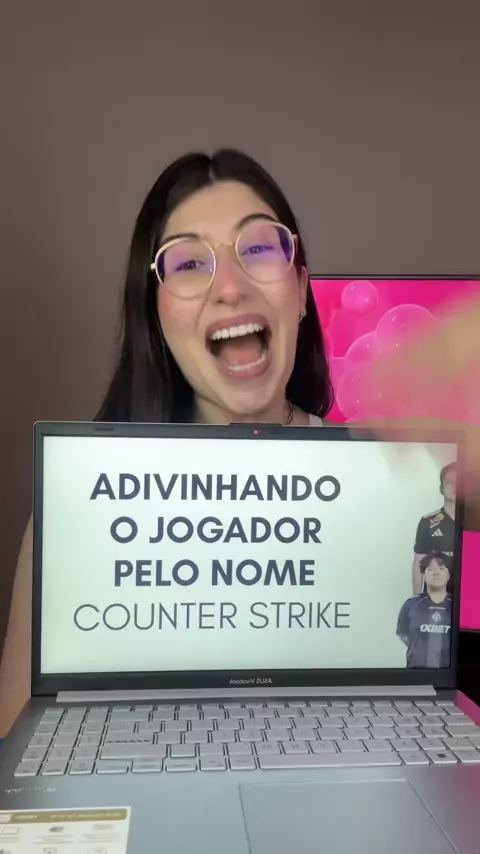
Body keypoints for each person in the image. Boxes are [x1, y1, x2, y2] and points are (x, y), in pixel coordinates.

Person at [0, 149, 333, 735]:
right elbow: (16, 742)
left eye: (258, 249)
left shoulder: (392, 488)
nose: (230, 287)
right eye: (189, 262)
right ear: (155, 314)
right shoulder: (77, 506)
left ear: (301, 289)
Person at [397, 551, 452, 669]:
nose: (436, 572)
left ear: (448, 575)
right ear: (424, 574)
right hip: (416, 673)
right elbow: (405, 636)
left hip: (447, 674)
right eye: (430, 569)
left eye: (441, 568)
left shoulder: (456, 606)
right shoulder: (411, 604)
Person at [412, 462, 456, 595]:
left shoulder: (474, 523)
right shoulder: (428, 522)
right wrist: (417, 598)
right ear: (441, 488)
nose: (455, 486)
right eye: (450, 481)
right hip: (436, 596)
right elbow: (418, 562)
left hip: (470, 595)